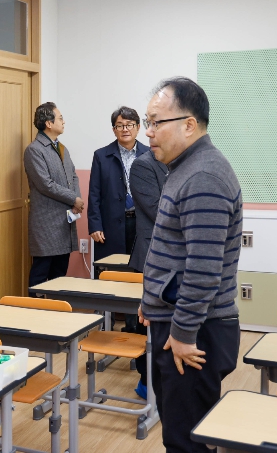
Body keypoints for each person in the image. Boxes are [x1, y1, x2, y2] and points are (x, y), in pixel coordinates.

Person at [138, 77, 241, 452]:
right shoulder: (184, 168)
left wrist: (182, 333)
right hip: (181, 321)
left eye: (155, 122)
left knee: (186, 442)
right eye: (147, 122)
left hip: (194, 332)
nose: (148, 132)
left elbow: (203, 268)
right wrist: (151, 299)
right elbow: (174, 249)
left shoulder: (203, 176)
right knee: (179, 430)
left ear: (189, 125)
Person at [88, 106, 148, 331]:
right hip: (111, 224)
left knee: (137, 275)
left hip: (141, 224)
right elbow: (94, 193)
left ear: (138, 127)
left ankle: (134, 328)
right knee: (110, 275)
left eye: (129, 125)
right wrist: (95, 224)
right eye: (120, 125)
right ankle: (106, 327)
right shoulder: (101, 155)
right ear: (114, 129)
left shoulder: (150, 154)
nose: (125, 129)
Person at [24, 102, 83, 288]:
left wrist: (77, 199)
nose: (63, 122)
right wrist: (73, 198)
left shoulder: (62, 148)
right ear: (48, 123)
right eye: (60, 118)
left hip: (64, 221)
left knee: (60, 274)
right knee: (40, 274)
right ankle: (35, 307)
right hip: (46, 224)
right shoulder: (34, 150)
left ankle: (56, 306)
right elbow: (45, 185)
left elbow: (73, 176)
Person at [128, 150, 168, 399]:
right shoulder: (143, 165)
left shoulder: (178, 162)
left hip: (173, 256)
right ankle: (146, 381)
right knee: (149, 324)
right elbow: (157, 210)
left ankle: (162, 382)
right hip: (152, 253)